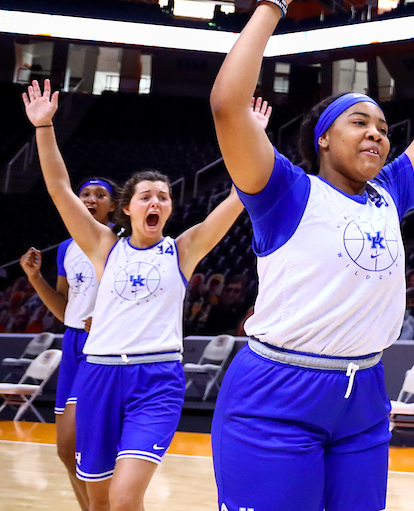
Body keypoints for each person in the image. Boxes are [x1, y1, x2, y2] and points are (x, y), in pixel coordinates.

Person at [208, 0, 414, 511]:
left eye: (383, 129)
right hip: (276, 391)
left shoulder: (389, 191)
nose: (376, 134)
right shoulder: (284, 191)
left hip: (362, 392)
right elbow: (228, 107)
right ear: (323, 138)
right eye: (359, 122)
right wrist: (271, 5)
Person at [22, 79, 246, 511]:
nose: (155, 202)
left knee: (125, 498)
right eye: (146, 196)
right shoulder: (104, 247)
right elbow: (59, 189)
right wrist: (44, 127)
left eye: (163, 197)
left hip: (156, 380)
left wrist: (247, 135)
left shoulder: (182, 250)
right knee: (101, 502)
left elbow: (238, 197)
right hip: (100, 375)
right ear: (127, 208)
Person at [18, 176, 117, 511]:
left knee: (85, 445)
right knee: (65, 451)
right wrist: (34, 278)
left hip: (102, 346)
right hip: (73, 341)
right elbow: (64, 309)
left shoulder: (121, 242)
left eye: (100, 195)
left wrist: (109, 320)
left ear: (113, 206)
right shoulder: (65, 248)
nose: (91, 199)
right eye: (84, 194)